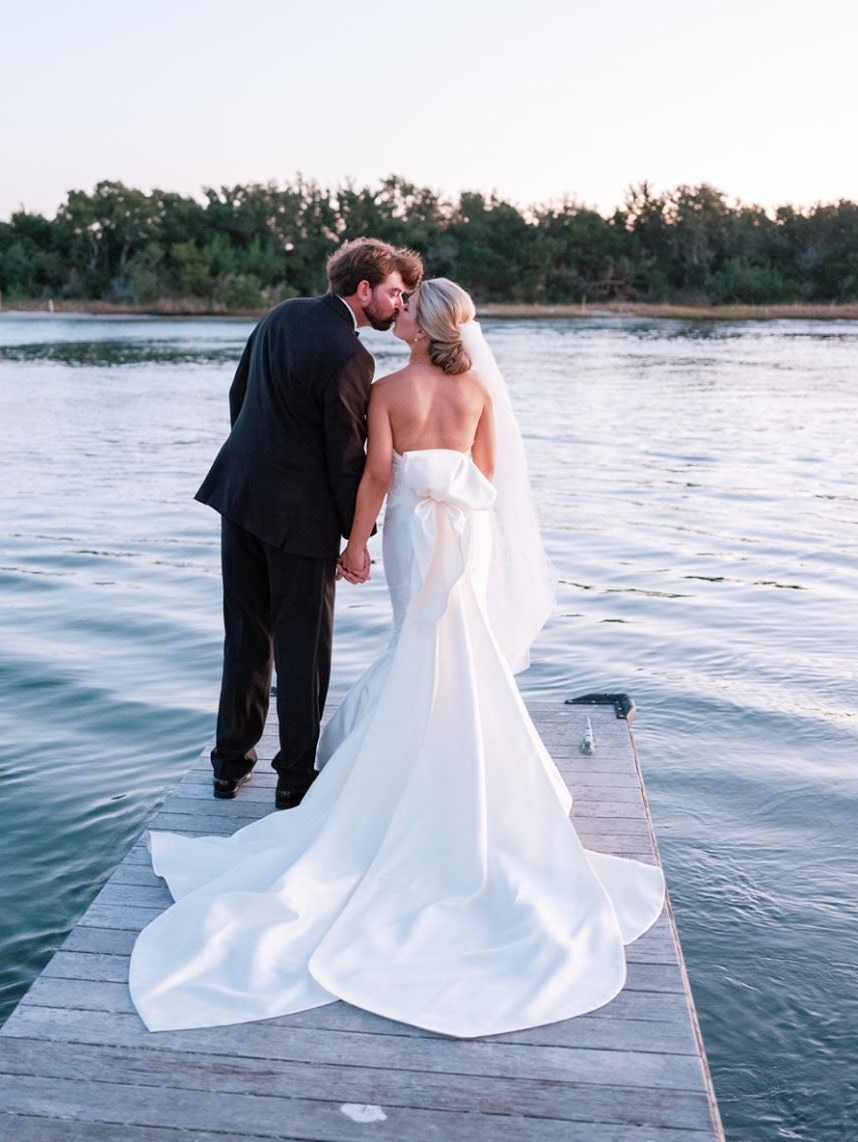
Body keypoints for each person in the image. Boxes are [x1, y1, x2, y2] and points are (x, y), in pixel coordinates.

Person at [130, 278, 666, 1038]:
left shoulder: (386, 390)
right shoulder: (478, 387)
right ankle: (469, 760)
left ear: (423, 328)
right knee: (462, 642)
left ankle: (373, 769)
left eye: (411, 306)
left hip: (414, 529)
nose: (400, 309)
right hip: (465, 533)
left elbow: (378, 476)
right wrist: (457, 516)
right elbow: (486, 477)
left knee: (419, 640)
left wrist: (355, 545)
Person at [194, 238, 423, 810]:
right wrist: (358, 538)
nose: (398, 305)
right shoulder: (351, 356)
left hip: (240, 495)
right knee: (303, 648)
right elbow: (345, 457)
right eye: (393, 292)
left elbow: (238, 393)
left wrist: (257, 457)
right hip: (300, 520)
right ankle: (295, 776)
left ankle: (228, 766)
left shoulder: (281, 315)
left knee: (245, 636)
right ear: (363, 288)